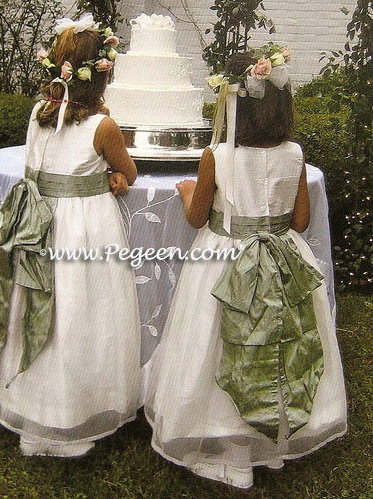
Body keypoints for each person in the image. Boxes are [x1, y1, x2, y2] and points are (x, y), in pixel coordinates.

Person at [144, 49, 347, 489]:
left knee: (219, 344)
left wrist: (184, 192)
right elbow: (300, 222)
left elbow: (198, 218)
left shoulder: (216, 155)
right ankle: (270, 441)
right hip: (281, 255)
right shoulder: (295, 154)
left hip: (224, 260)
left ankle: (226, 441)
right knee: (278, 341)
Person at [0, 14, 142, 457]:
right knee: (78, 310)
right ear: (101, 77)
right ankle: (73, 410)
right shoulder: (104, 127)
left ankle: (27, 398)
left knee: (34, 304)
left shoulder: (38, 113)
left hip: (36, 223)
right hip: (82, 232)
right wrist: (116, 177)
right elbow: (129, 171)